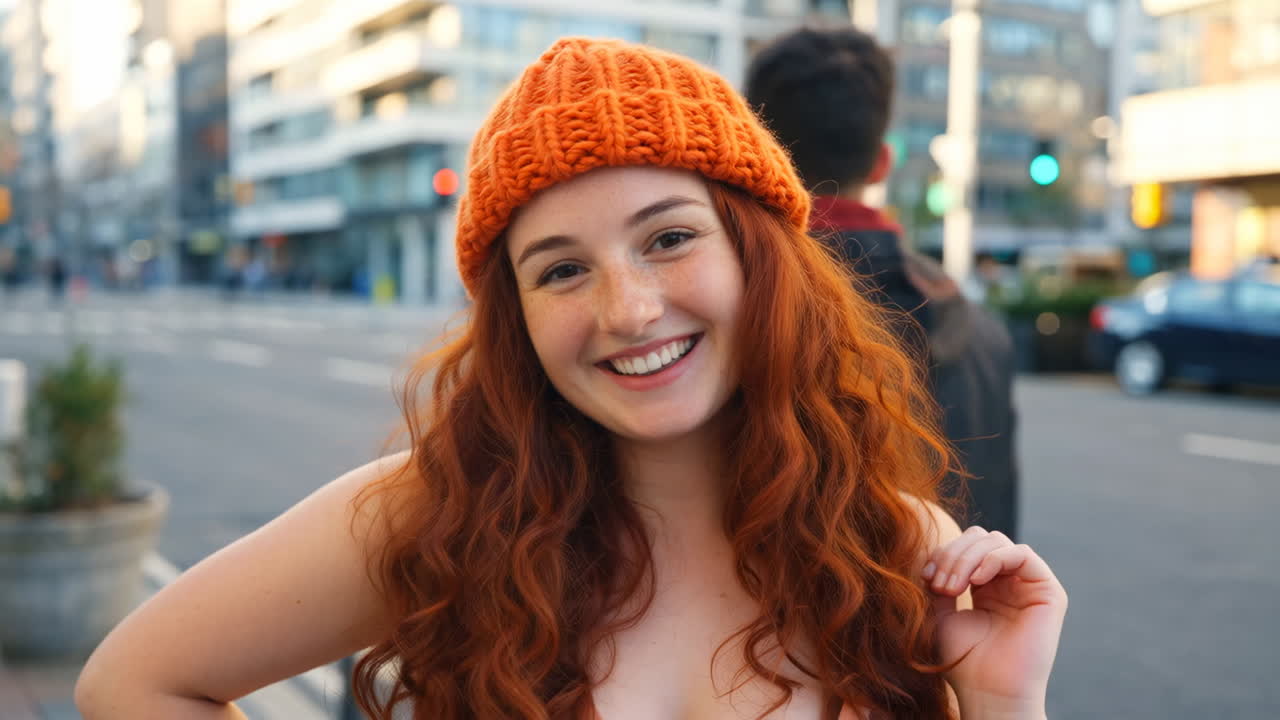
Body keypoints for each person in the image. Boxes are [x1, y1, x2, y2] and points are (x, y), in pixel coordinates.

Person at [75, 38, 1065, 720]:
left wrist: (1000, 703)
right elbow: (134, 680)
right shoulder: (437, 514)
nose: (627, 309)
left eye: (668, 238)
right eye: (560, 269)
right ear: (515, 315)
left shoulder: (889, 542)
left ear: (756, 255)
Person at [746, 27, 1021, 541]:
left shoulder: (732, 313)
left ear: (757, 150)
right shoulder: (983, 331)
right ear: (881, 164)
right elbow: (998, 510)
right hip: (963, 611)